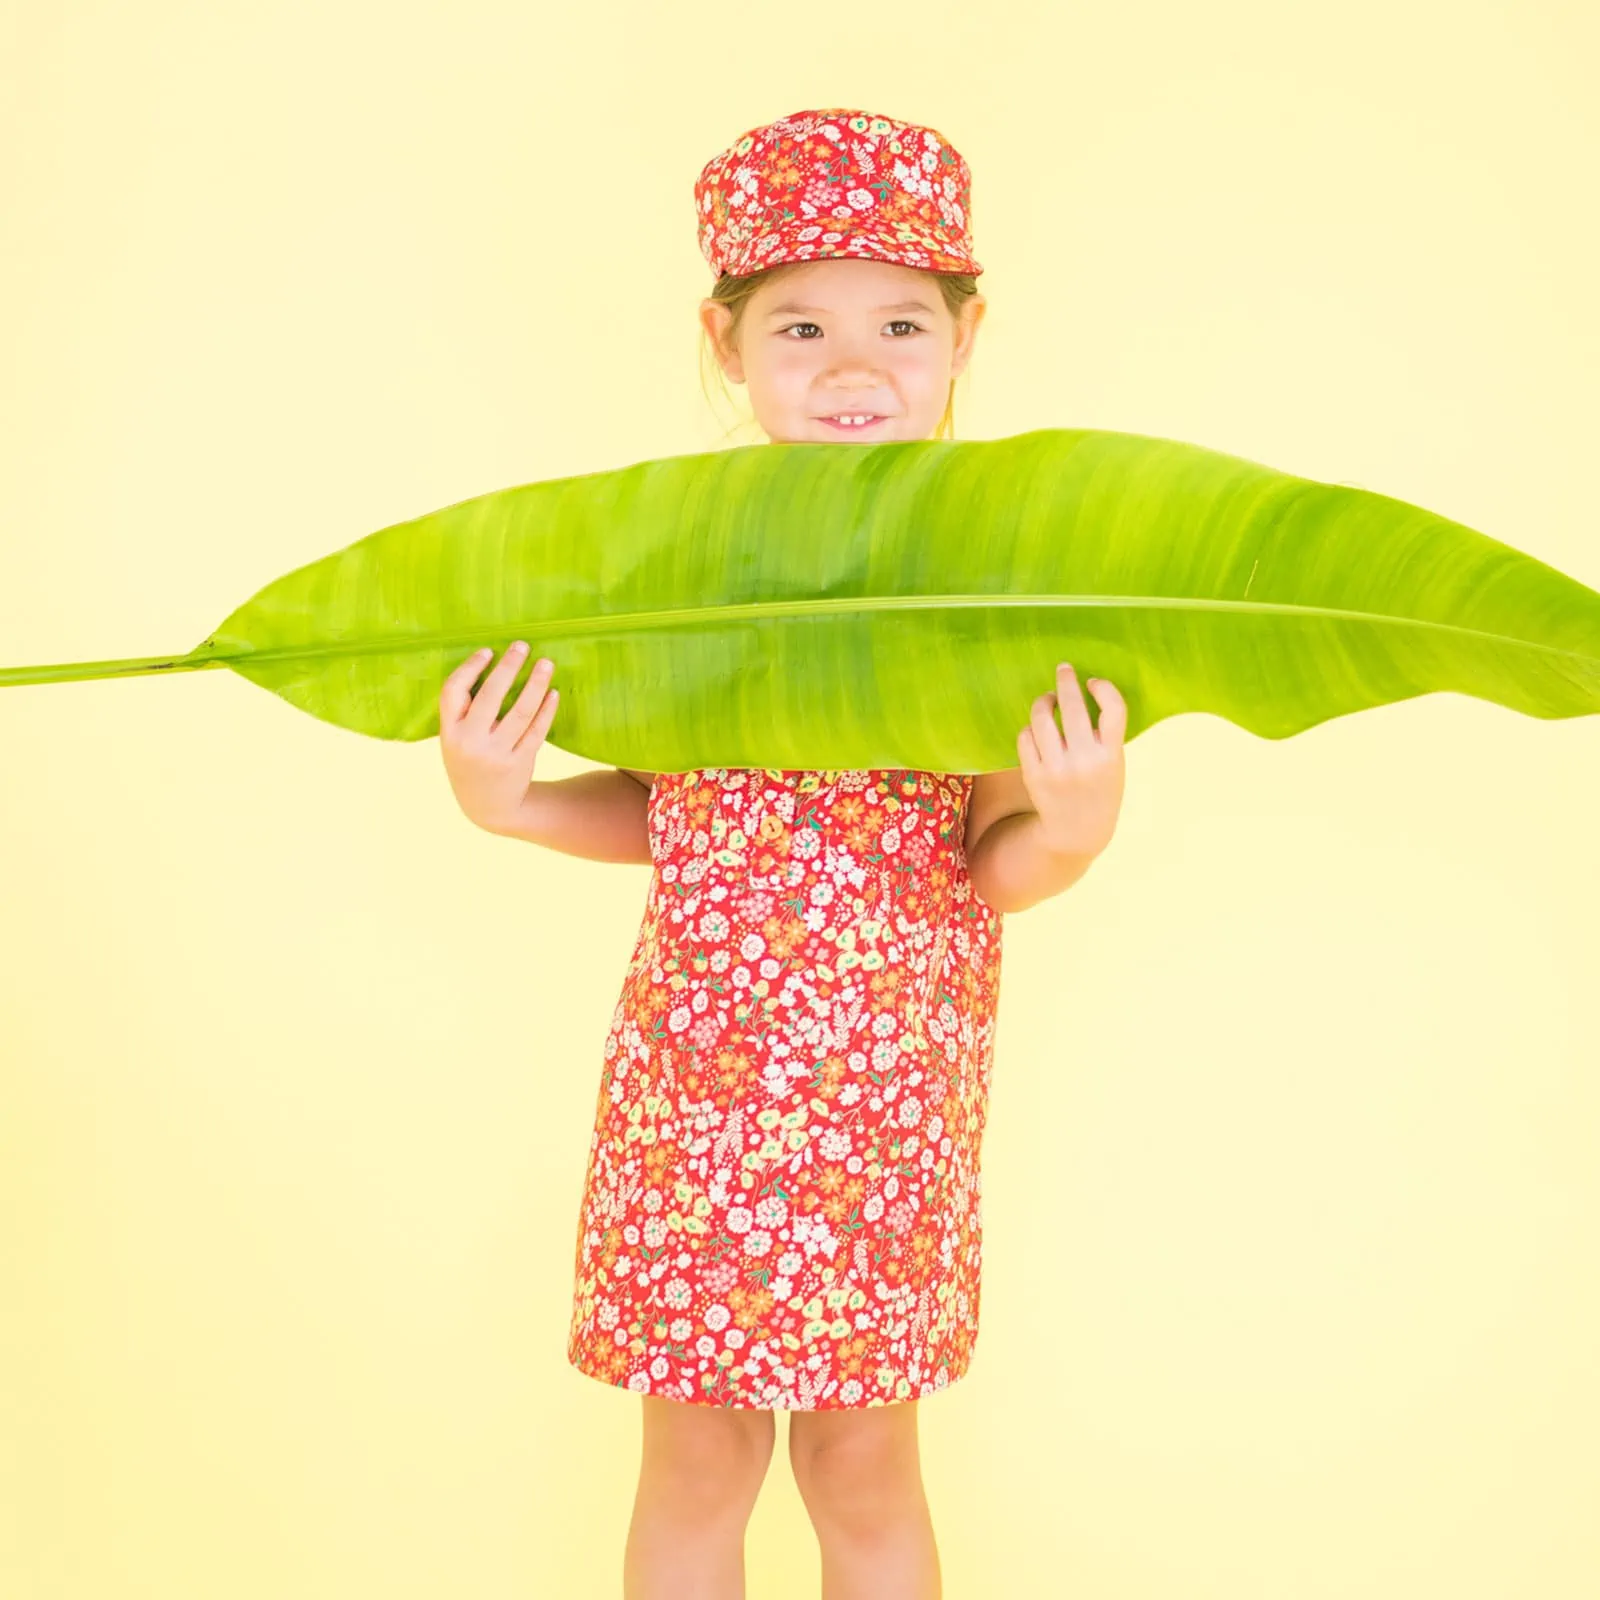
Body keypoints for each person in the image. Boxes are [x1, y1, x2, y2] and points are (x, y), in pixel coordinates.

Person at [436, 107, 1128, 1600]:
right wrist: (512, 801)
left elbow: (991, 859)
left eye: (902, 324)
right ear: (727, 341)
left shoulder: (984, 579)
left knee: (862, 1465)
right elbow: (666, 809)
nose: (853, 366)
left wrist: (1070, 831)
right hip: (696, 1088)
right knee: (694, 1464)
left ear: (965, 336)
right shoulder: (682, 570)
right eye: (802, 325)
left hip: (888, 1105)